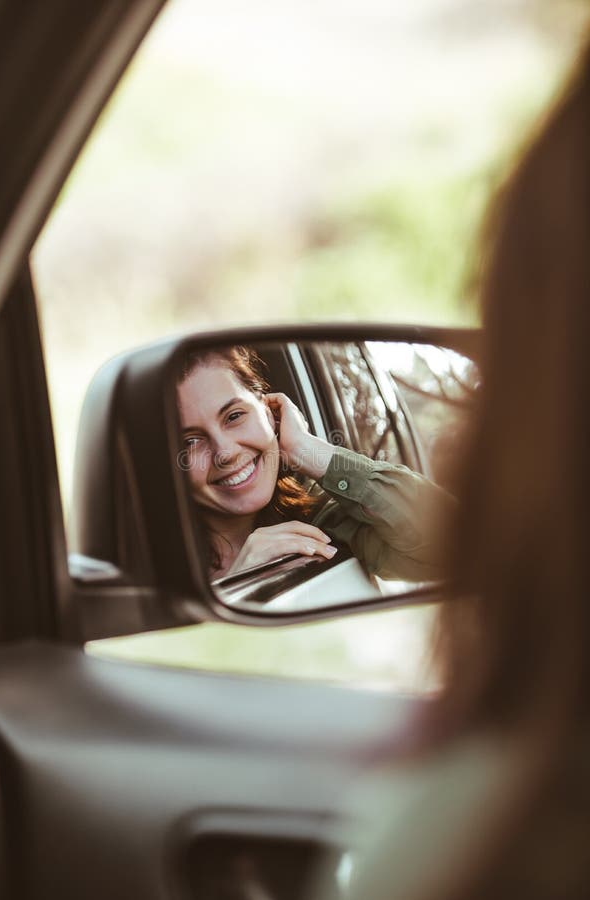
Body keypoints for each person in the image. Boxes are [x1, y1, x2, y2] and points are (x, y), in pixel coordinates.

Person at [317, 32, 590, 900]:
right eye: (186, 442)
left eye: (239, 418)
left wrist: (320, 458)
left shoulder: (487, 824)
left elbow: (430, 544)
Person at [176, 345, 452, 580]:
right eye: (189, 441)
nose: (225, 453)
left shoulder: (325, 527)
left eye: (234, 416)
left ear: (270, 412)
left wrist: (308, 450)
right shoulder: (152, 565)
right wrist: (240, 580)